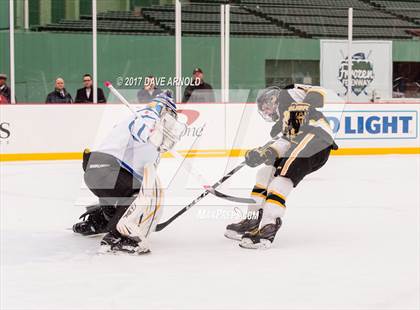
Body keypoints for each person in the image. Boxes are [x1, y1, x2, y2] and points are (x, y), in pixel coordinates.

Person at [225, 84, 338, 249]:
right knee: (265, 174)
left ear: (272, 98)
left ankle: (268, 226)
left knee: (283, 177)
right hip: (300, 144)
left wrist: (305, 104)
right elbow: (283, 143)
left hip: (317, 139)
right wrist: (263, 153)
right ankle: (253, 219)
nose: (266, 111)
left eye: (266, 107)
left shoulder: (288, 95)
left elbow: (318, 90)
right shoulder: (281, 125)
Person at [72, 91, 186, 254]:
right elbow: (141, 129)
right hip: (106, 169)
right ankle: (117, 236)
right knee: (139, 193)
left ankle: (101, 220)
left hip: (97, 169)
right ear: (165, 110)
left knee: (137, 189)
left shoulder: (155, 141)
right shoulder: (149, 114)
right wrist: (151, 134)